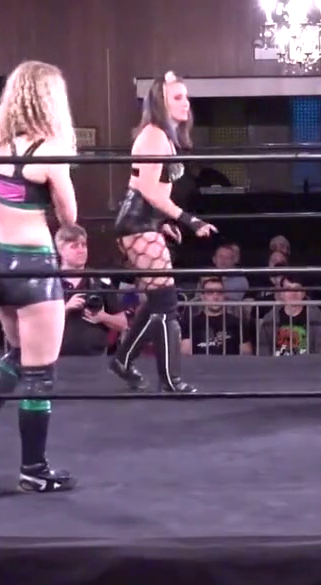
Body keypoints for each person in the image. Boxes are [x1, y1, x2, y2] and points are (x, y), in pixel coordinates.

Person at [0, 60, 78, 494]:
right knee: (39, 373)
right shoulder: (50, 150)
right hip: (34, 266)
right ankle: (33, 469)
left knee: (18, 352)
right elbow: (70, 216)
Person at [109, 71, 217, 393]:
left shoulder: (165, 137)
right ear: (161, 103)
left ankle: (123, 360)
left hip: (144, 221)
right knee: (166, 302)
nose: (187, 103)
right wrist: (189, 220)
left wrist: (163, 222)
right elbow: (147, 191)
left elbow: (154, 192)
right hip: (136, 222)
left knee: (159, 300)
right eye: (178, 97)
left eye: (187, 97)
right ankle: (170, 380)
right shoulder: (154, 135)